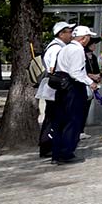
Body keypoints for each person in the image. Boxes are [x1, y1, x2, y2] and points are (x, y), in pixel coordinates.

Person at [50, 25, 100, 164]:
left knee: (60, 121)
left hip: (61, 86)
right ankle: (66, 153)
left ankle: (56, 153)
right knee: (73, 120)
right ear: (84, 38)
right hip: (73, 87)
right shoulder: (78, 50)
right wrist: (90, 82)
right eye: (89, 37)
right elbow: (76, 72)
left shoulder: (65, 48)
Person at [37, 21, 73, 158]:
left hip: (53, 88)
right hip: (55, 89)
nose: (71, 34)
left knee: (52, 117)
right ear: (61, 33)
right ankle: (48, 145)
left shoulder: (57, 46)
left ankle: (48, 145)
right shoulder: (57, 48)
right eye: (68, 32)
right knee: (54, 118)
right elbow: (53, 69)